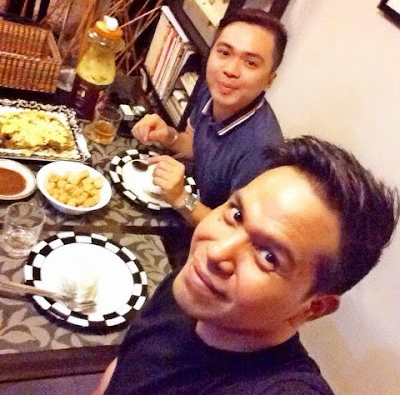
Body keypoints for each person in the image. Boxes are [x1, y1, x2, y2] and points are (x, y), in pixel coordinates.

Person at [91, 135, 399, 395]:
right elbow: (126, 366)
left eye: (269, 257)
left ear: (314, 308)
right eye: (236, 215)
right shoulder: (192, 285)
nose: (216, 252)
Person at [132, 9, 287, 225]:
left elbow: (235, 231)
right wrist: (169, 136)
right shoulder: (213, 89)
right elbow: (198, 147)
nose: (230, 70)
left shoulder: (262, 151)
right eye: (224, 52)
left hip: (207, 234)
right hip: (189, 204)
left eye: (250, 63)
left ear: (269, 80)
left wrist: (181, 198)